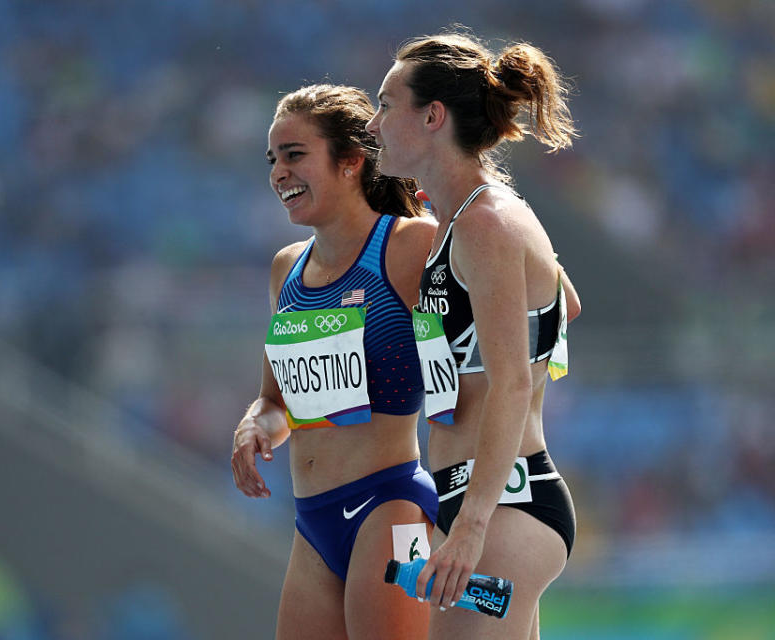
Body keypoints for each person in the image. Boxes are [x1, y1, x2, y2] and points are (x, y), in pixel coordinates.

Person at [365, 28, 583, 639]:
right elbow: (566, 300)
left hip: (504, 504)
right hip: (479, 499)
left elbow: (512, 383)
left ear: (433, 116)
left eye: (386, 104)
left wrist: (471, 529)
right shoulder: (467, 220)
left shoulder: (486, 222)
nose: (374, 123)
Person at [231, 84, 439, 640]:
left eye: (295, 155)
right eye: (272, 159)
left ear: (352, 162)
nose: (278, 172)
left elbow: (509, 302)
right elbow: (279, 404)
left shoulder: (409, 245)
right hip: (312, 523)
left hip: (390, 506)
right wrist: (255, 426)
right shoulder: (286, 269)